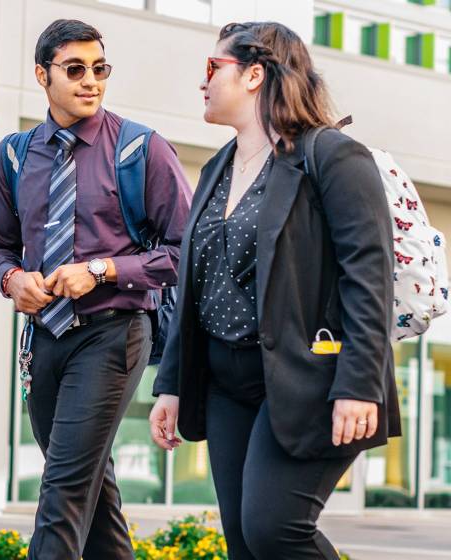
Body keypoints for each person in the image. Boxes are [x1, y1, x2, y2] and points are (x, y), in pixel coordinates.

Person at [149, 21, 402, 559]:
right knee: (244, 543)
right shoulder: (218, 166)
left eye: (213, 68)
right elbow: (194, 283)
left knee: (275, 529)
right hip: (224, 383)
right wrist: (170, 383)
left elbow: (368, 275)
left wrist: (359, 384)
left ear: (255, 75)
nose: (203, 82)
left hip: (307, 377)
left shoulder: (331, 156)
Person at [0, 19, 192, 560]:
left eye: (100, 69)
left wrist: (101, 271)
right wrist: (11, 278)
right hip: (43, 339)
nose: (90, 81)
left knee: (65, 488)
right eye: (74, 69)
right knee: (89, 488)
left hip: (115, 334)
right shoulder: (13, 157)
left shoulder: (142, 150)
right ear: (41, 76)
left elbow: (185, 252)